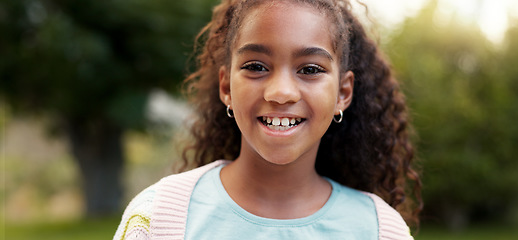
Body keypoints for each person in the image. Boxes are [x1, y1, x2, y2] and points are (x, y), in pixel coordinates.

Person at [114, 0, 422, 239]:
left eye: (310, 69)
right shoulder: (157, 218)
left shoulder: (380, 231)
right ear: (226, 87)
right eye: (257, 66)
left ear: (343, 93)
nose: (281, 93)